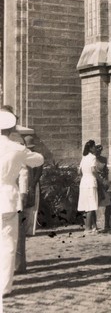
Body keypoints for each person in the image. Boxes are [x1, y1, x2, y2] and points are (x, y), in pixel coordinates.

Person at [0, 108, 44, 297]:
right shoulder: (17, 148)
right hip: (8, 197)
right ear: (12, 128)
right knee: (8, 243)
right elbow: (38, 160)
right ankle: (3, 287)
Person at [23, 135, 44, 237]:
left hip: (28, 183)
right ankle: (29, 230)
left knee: (28, 206)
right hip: (31, 183)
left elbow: (39, 171)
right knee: (32, 207)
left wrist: (32, 183)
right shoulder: (37, 156)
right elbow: (39, 172)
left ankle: (27, 229)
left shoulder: (25, 156)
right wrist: (33, 183)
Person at [78, 140, 99, 235]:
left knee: (89, 204)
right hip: (90, 181)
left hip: (84, 182)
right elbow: (93, 170)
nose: (95, 148)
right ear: (91, 148)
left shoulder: (84, 158)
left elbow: (79, 171)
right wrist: (100, 179)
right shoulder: (93, 157)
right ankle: (87, 228)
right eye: (94, 146)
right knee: (91, 206)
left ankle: (94, 227)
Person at [95, 144, 111, 232]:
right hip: (95, 183)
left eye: (100, 150)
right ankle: (95, 225)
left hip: (103, 183)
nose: (98, 152)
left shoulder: (104, 159)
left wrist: (107, 182)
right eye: (97, 150)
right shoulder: (91, 159)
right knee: (95, 204)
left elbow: (106, 171)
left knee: (108, 203)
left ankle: (107, 224)